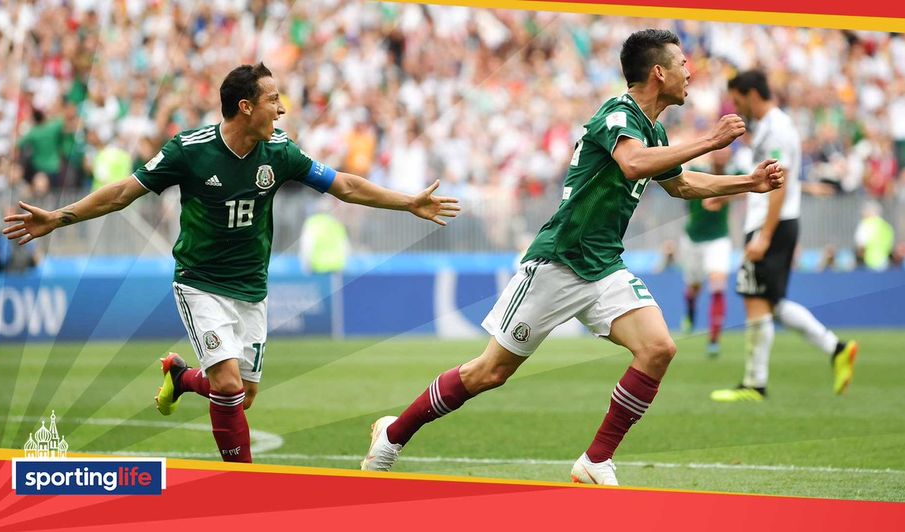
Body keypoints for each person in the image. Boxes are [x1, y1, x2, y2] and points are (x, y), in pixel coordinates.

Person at [360, 29, 785, 486]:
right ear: (658, 72)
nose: (690, 72)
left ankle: (595, 460)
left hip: (604, 265)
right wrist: (709, 140)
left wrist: (748, 183)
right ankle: (392, 434)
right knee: (489, 372)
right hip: (557, 261)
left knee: (658, 348)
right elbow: (634, 165)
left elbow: (681, 184)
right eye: (683, 63)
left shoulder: (654, 129)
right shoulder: (616, 114)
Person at [3, 63, 461, 463]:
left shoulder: (280, 152)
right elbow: (125, 192)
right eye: (273, 100)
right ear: (245, 107)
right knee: (226, 386)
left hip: (251, 290)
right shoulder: (189, 150)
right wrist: (59, 218)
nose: (281, 110)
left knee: (243, 396)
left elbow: (343, 185)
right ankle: (241, 484)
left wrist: (407, 203)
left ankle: (182, 378)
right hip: (199, 282)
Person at [710, 70, 858, 403]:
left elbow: (781, 184)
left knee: (755, 299)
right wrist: (723, 195)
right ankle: (836, 349)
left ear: (750, 94)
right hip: (772, 223)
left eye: (736, 100)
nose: (736, 107)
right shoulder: (771, 128)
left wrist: (764, 235)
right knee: (770, 303)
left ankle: (755, 384)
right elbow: (761, 182)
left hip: (770, 225)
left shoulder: (776, 128)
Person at [678, 146, 735, 357]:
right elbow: (680, 185)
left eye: (725, 152)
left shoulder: (735, 175)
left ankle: (714, 340)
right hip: (693, 239)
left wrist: (722, 197)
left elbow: (747, 189)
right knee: (693, 288)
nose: (721, 154)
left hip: (718, 239)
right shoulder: (696, 171)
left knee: (718, 286)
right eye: (718, 150)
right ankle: (691, 313)